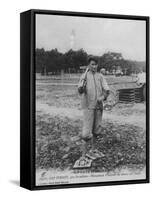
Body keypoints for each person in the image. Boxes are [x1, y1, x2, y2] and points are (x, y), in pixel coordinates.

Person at [78, 57, 110, 160]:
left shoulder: (100, 76)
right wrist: (82, 87)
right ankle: (83, 155)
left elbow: (107, 91)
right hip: (88, 107)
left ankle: (93, 150)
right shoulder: (84, 76)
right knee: (86, 132)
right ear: (88, 65)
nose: (94, 66)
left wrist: (102, 97)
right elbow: (80, 90)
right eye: (92, 64)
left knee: (96, 130)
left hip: (98, 107)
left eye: (96, 64)